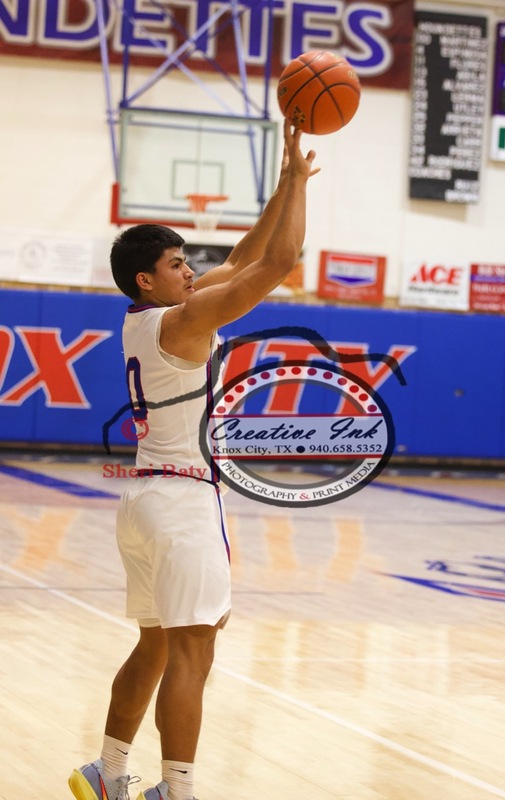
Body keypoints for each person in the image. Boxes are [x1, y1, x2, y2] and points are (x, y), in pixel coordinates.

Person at [68, 120, 317, 800]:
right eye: (178, 264)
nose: (191, 270)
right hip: (181, 503)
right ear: (146, 279)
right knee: (192, 650)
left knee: (155, 643)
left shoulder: (147, 317)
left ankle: (107, 773)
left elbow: (242, 256)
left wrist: (286, 182)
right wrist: (301, 192)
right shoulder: (181, 322)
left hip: (144, 500)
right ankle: (176, 791)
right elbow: (277, 264)